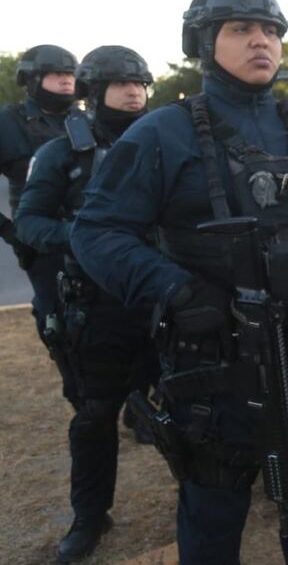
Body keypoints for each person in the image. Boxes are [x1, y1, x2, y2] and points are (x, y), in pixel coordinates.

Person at [70, 0, 288, 564]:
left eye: (272, 32)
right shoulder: (164, 132)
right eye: (242, 30)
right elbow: (96, 232)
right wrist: (175, 290)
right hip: (221, 362)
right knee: (213, 516)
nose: (263, 42)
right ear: (204, 42)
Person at [16, 45, 159, 562]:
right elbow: (30, 222)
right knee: (96, 415)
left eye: (140, 83)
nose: (134, 92)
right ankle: (90, 517)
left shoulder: (166, 140)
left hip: (162, 300)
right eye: (122, 83)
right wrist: (89, 238)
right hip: (96, 307)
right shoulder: (62, 152)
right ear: (93, 91)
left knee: (190, 408)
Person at [0, 45, 78, 344]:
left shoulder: (90, 119)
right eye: (57, 74)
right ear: (32, 80)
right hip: (43, 245)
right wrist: (10, 232)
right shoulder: (9, 123)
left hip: (93, 237)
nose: (66, 81)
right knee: (58, 324)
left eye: (70, 74)